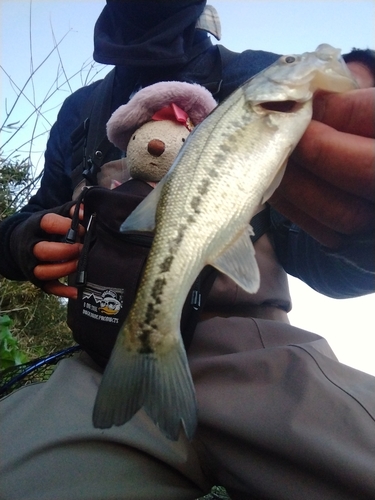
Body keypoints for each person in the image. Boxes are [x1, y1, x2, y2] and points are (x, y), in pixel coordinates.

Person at [0, 2, 374, 499]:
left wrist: (363, 238)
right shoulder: (80, 110)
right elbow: (30, 217)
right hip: (102, 356)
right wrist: (23, 240)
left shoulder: (259, 75)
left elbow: (321, 261)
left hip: (262, 352)